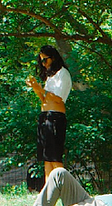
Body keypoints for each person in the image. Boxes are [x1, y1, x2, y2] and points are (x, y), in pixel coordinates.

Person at [27, 45, 72, 180]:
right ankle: (48, 191)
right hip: (45, 116)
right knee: (47, 158)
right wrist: (36, 88)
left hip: (55, 118)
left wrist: (41, 90)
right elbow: (44, 99)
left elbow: (58, 99)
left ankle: (64, 189)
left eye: (45, 60)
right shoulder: (50, 77)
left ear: (53, 58)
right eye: (41, 61)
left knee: (55, 157)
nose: (43, 64)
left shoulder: (62, 74)